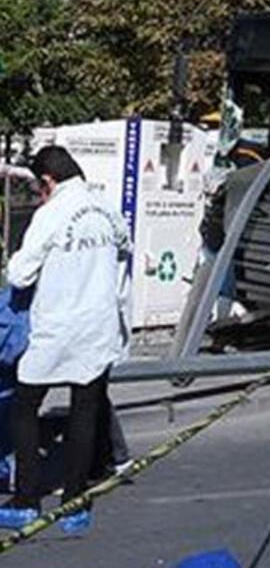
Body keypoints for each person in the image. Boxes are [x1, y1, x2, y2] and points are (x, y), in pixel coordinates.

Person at [0, 146, 130, 535]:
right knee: (85, 413)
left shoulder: (51, 213)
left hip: (58, 328)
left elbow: (20, 274)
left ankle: (26, 501)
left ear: (48, 181)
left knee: (25, 407)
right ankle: (74, 506)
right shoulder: (107, 208)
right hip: (99, 327)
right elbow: (124, 255)